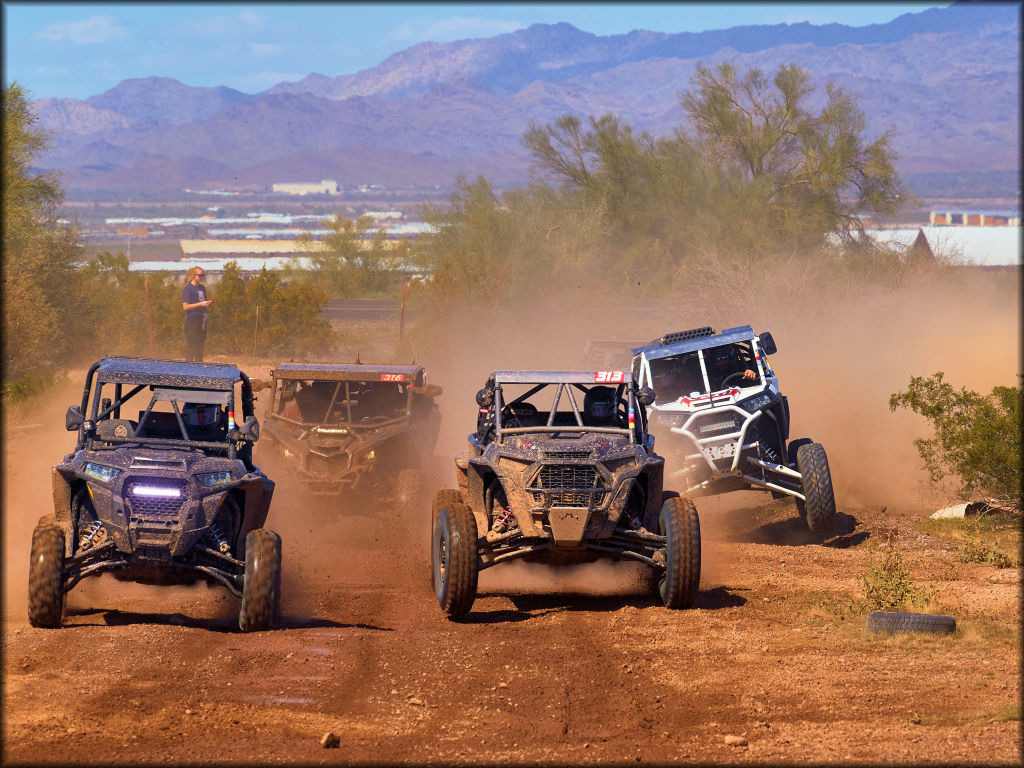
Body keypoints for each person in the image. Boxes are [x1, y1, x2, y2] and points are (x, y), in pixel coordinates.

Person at [181, 266, 213, 362]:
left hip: (201, 320)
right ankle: (188, 370)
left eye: (203, 275)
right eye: (200, 275)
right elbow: (185, 307)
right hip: (192, 320)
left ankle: (199, 370)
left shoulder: (202, 288)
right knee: (191, 347)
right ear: (193, 275)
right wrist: (201, 304)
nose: (202, 277)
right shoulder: (188, 289)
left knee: (200, 347)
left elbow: (201, 303)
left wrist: (206, 304)